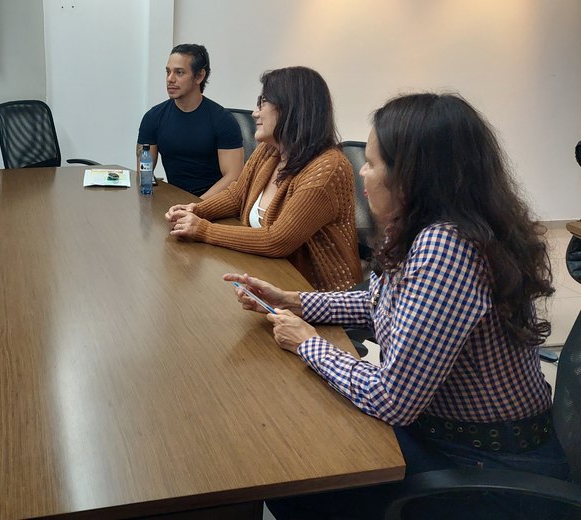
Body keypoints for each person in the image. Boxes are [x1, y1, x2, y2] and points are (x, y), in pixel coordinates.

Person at [226, 93, 571, 519]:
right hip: (445, 435)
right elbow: (380, 304)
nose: (362, 175)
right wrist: (295, 301)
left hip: (484, 469)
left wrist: (308, 343)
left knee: (287, 474)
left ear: (413, 175)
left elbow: (394, 399)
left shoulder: (447, 247)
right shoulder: (420, 228)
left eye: (371, 163)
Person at [165, 66, 361, 292]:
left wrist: (204, 230)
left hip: (316, 296)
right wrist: (194, 211)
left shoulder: (327, 168)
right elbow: (236, 196)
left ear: (292, 108)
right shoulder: (269, 150)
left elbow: (278, 240)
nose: (255, 113)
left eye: (263, 103)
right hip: (265, 277)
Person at [137, 43, 244, 198]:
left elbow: (233, 177)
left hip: (215, 203)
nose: (170, 79)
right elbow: (144, 173)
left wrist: (196, 206)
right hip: (175, 200)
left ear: (199, 76)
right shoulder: (153, 118)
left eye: (179, 72)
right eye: (168, 72)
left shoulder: (223, 120)